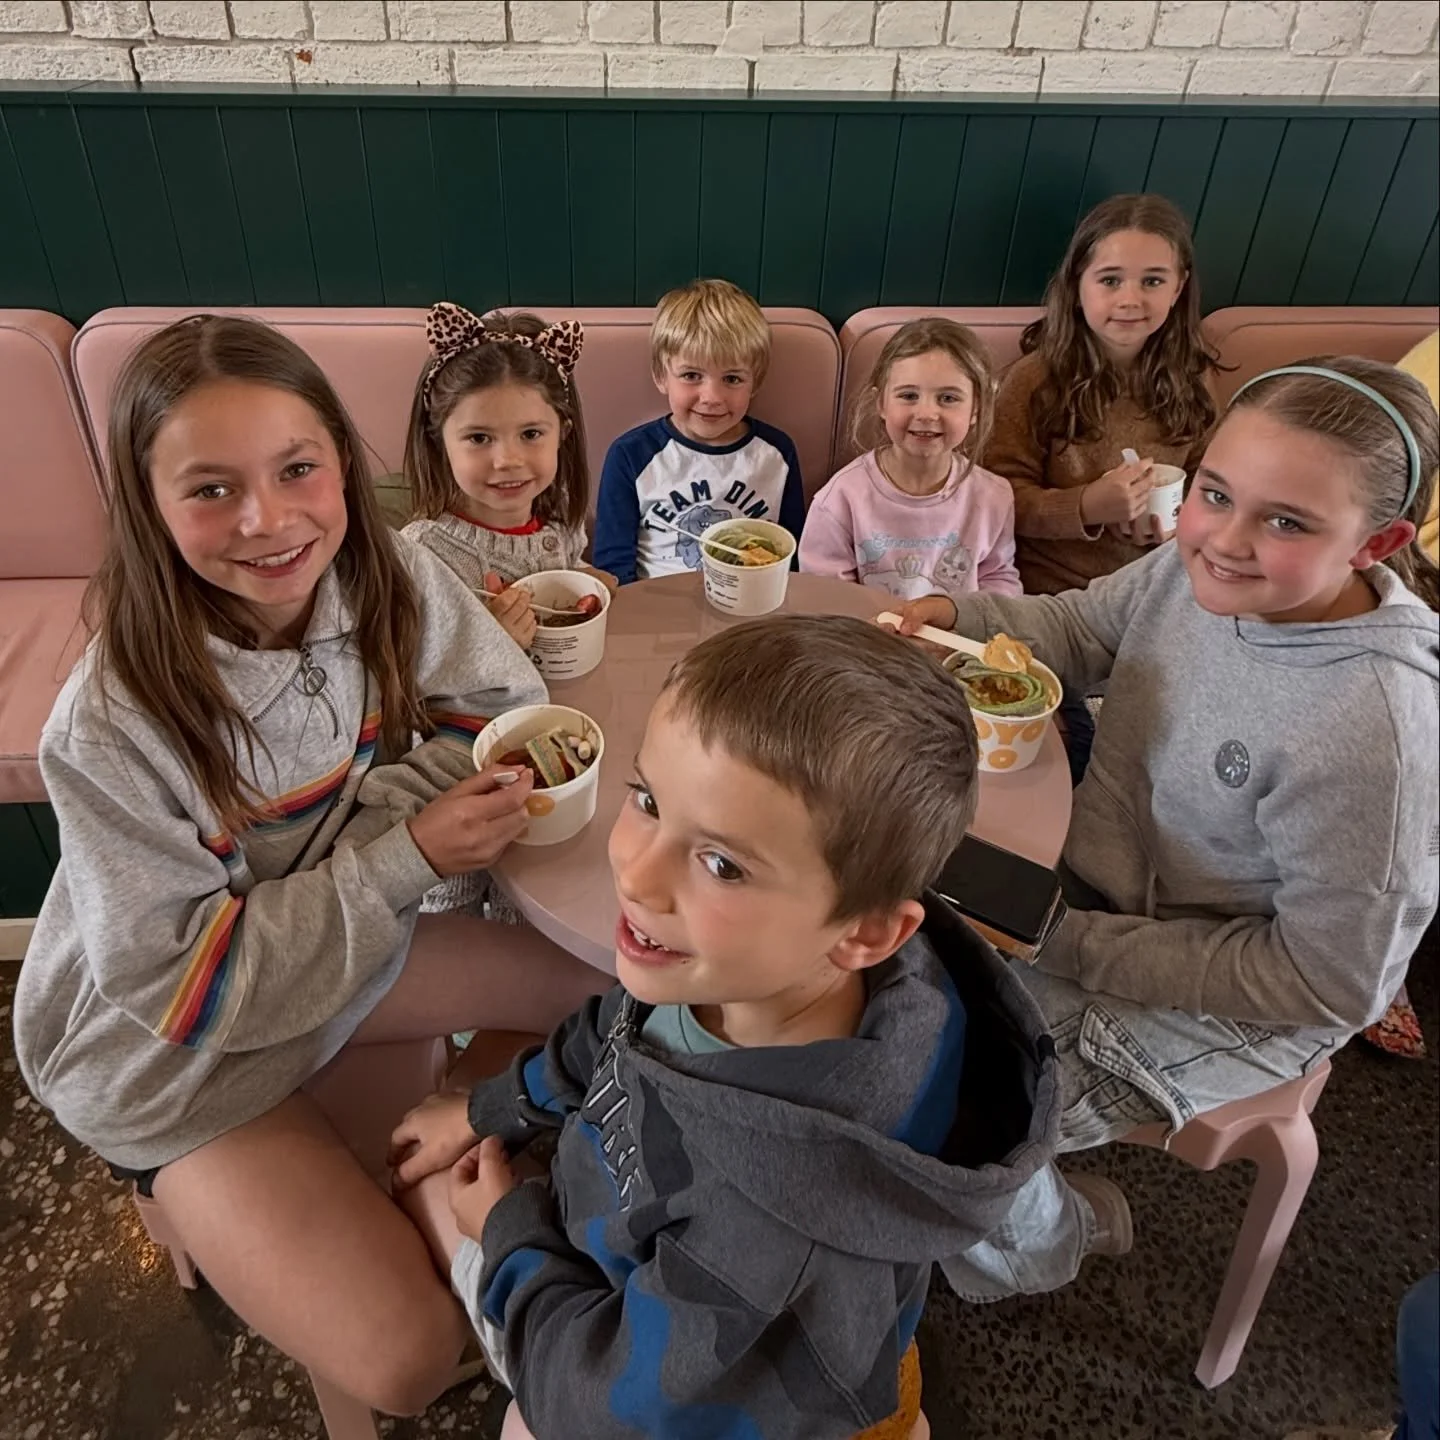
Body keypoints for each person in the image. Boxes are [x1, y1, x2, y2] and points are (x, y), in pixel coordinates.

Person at [10, 315, 607, 1415]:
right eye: (210, 489)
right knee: (411, 1360)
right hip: (168, 1057)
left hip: (333, 951)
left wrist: (386, 823)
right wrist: (399, 860)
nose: (269, 521)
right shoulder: (107, 723)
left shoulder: (388, 580)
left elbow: (502, 704)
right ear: (145, 505)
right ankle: (191, 1185)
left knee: (606, 990)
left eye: (296, 470)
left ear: (343, 461)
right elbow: (187, 987)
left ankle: (431, 1174)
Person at [387, 616, 1062, 1439]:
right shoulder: (735, 972)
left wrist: (508, 1236)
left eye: (722, 864)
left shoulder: (776, 1237)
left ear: (866, 934)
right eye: (647, 801)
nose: (635, 871)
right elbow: (613, 1034)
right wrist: (487, 1109)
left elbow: (600, 1412)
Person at [898, 355, 1440, 1299]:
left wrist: (1066, 943)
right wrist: (958, 611)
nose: (1224, 541)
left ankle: (1052, 1238)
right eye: (1215, 494)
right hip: (1090, 896)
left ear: (1376, 541)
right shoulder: (1195, 568)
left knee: (939, 1107)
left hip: (1240, 998)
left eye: (1287, 522)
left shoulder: (1372, 735)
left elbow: (1328, 979)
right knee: (875, 983)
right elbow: (1080, 628)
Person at [987, 193, 1219, 777]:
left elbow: (1213, 496)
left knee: (1177, 751)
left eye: (1152, 280)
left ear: (1180, 287)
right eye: (1111, 279)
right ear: (1078, 283)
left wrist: (1178, 525)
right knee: (1077, 756)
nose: (1130, 299)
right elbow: (993, 501)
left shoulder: (1190, 385)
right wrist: (1088, 504)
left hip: (1154, 606)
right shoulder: (1034, 382)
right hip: (1052, 604)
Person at [401, 302, 614, 655]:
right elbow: (412, 673)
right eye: (479, 438)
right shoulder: (422, 554)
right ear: (438, 442)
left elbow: (562, 566)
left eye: (530, 434)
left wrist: (585, 576)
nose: (507, 461)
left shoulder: (559, 516)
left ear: (563, 433)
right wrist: (492, 644)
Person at [592, 278, 806, 584]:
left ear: (755, 382)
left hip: (753, 609)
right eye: (691, 375)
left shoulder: (777, 452)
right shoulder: (630, 454)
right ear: (661, 376)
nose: (712, 397)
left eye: (732, 379)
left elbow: (794, 555)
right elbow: (613, 568)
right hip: (656, 614)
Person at [800, 317, 1021, 600]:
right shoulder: (840, 499)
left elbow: (998, 578)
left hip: (962, 640)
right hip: (866, 640)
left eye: (948, 398)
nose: (927, 413)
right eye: (908, 395)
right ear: (881, 404)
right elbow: (826, 597)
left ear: (975, 408)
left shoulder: (994, 496)